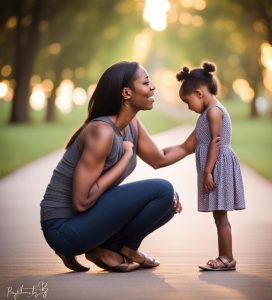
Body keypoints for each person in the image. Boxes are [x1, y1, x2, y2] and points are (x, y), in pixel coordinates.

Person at [40, 61, 221, 273]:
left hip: (84, 222)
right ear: (126, 92)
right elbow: (81, 201)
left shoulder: (131, 124)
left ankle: (111, 249)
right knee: (162, 189)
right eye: (145, 83)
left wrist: (204, 132)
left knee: (168, 200)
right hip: (63, 228)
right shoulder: (102, 132)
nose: (152, 87)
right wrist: (126, 156)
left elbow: (159, 158)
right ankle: (107, 248)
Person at [174, 61, 246, 271]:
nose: (189, 107)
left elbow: (216, 141)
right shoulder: (209, 112)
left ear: (199, 93)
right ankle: (224, 256)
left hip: (217, 167)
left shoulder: (214, 112)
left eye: (188, 102)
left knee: (221, 216)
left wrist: (207, 172)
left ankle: (227, 258)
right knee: (219, 216)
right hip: (215, 166)